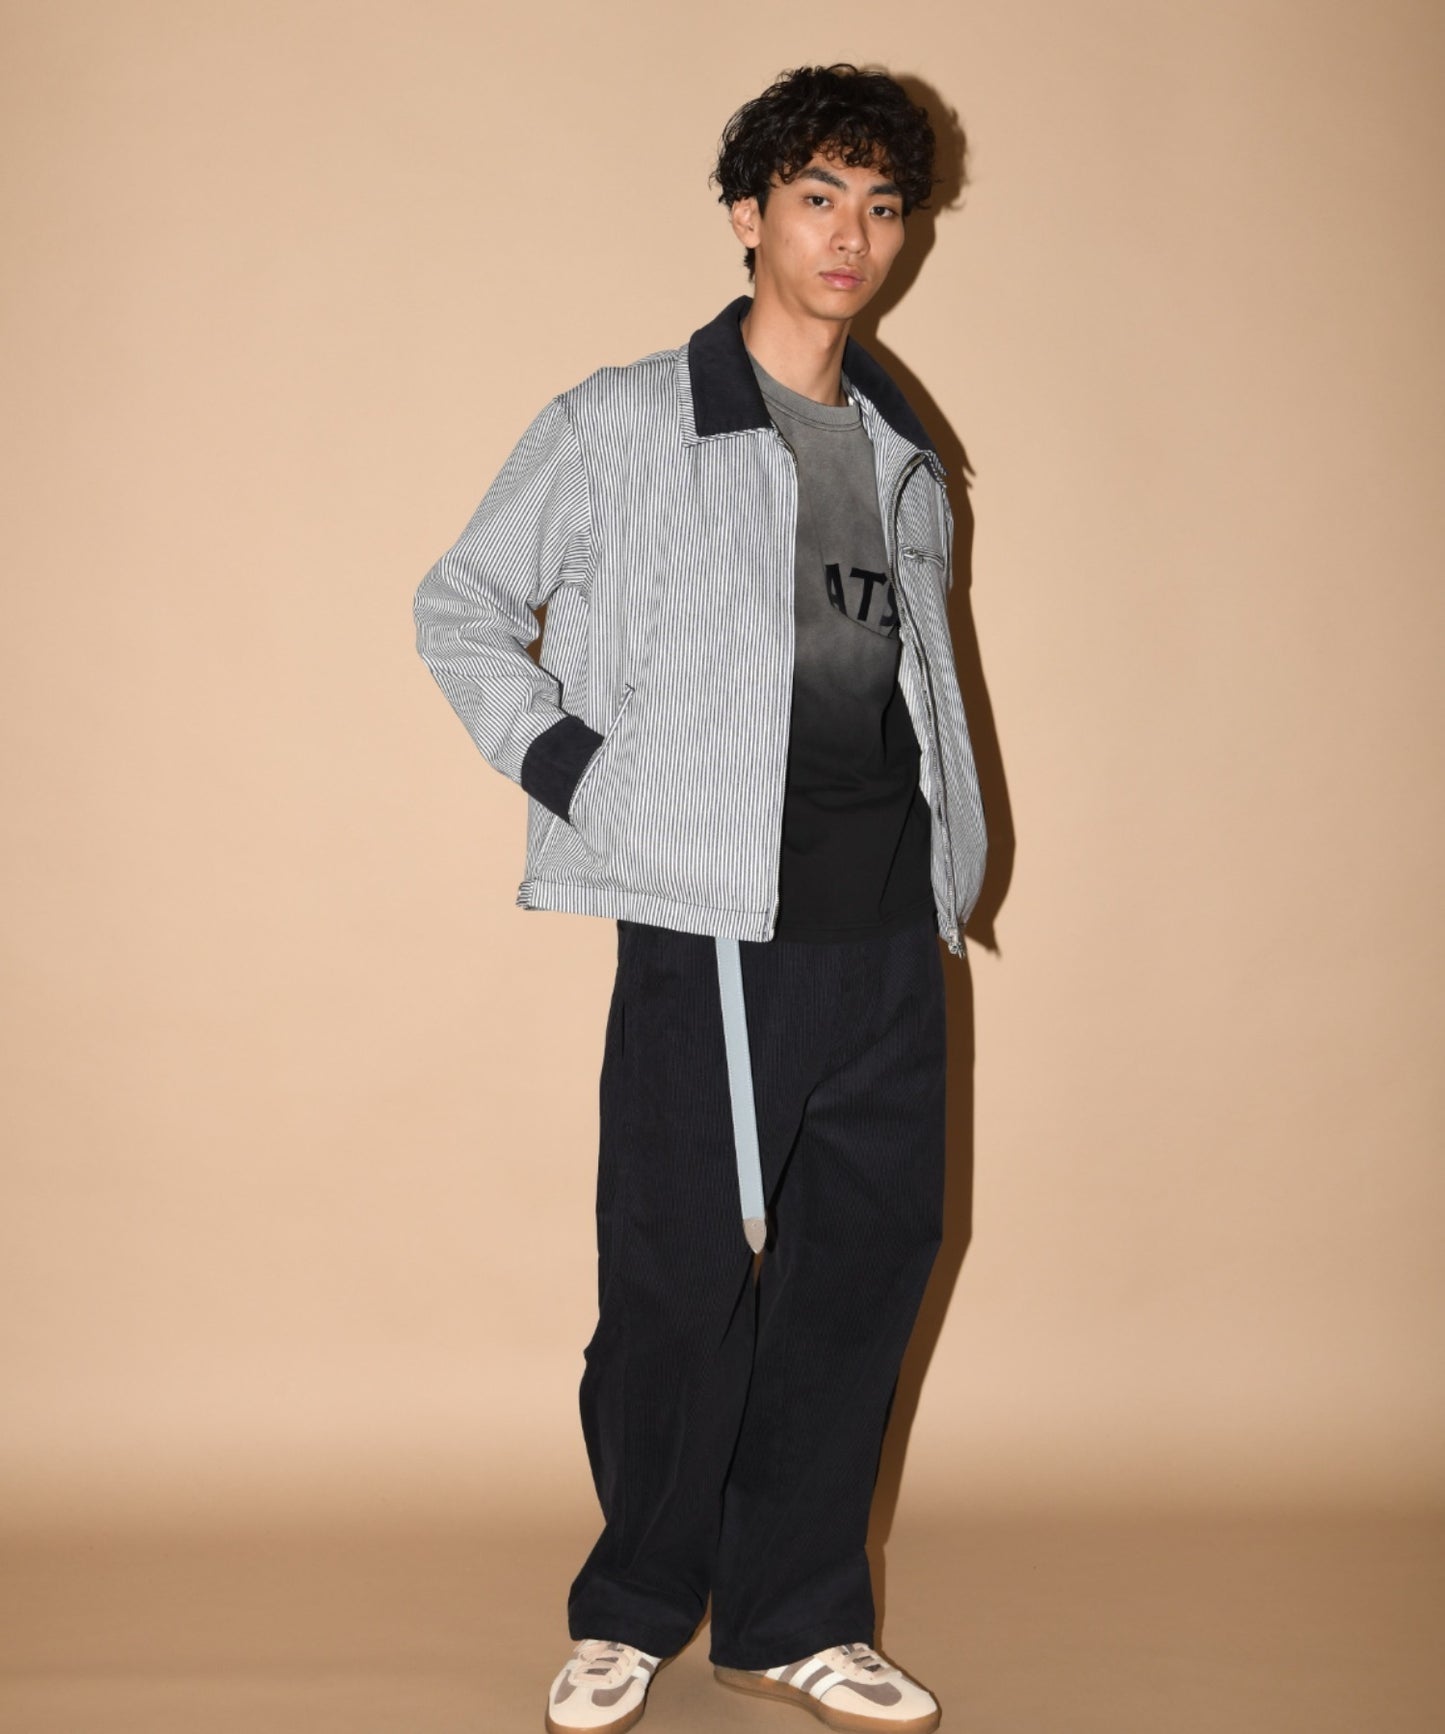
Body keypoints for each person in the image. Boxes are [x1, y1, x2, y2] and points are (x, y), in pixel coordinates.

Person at [413, 60, 987, 1734]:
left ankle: (795, 1615)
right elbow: (460, 606)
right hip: (715, 921)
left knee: (857, 1274)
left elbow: (903, 680)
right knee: (676, 1284)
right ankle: (635, 1604)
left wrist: (948, 858)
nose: (851, 235)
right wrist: (579, 771)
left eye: (881, 205)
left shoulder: (903, 445)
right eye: (816, 197)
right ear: (747, 215)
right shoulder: (623, 420)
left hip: (888, 927)